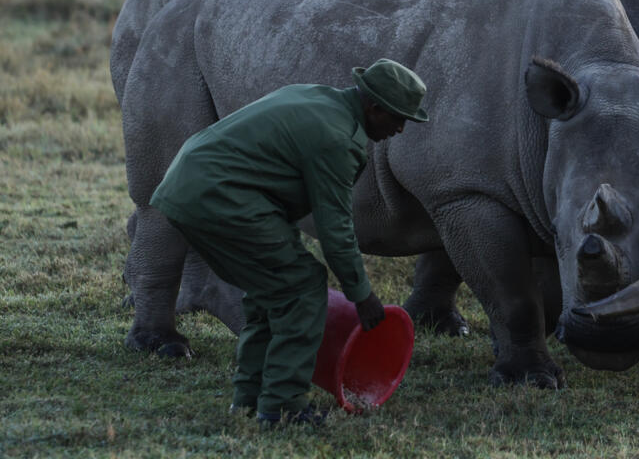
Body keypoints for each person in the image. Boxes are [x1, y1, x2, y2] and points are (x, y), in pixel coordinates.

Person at [150, 58, 430, 427]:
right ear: (374, 107)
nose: (400, 128)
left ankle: (249, 400)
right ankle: (282, 406)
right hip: (217, 195)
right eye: (397, 117)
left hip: (190, 183)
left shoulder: (318, 98)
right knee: (301, 286)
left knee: (272, 290)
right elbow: (336, 229)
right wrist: (362, 295)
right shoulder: (339, 139)